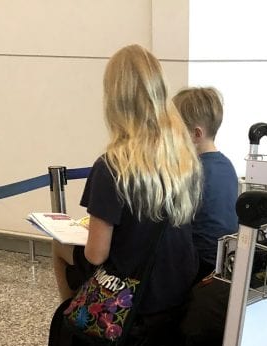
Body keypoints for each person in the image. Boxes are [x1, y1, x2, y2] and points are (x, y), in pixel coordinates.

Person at [51, 45, 201, 329]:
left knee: (59, 246)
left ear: (115, 100)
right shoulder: (184, 158)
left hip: (130, 295)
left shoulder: (112, 165)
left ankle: (74, 324)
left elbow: (97, 254)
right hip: (174, 287)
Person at [172, 86, 239, 275]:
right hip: (222, 262)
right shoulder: (227, 165)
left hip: (198, 265)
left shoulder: (192, 172)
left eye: (174, 132)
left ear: (196, 134)